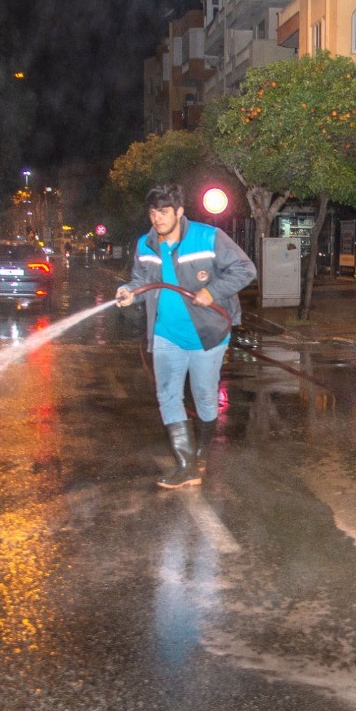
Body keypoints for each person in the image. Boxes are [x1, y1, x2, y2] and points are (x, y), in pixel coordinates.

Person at [116, 183, 256, 488]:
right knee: (167, 394)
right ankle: (186, 464)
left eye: (164, 212)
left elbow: (246, 269)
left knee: (205, 396)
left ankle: (202, 451)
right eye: (152, 212)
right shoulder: (146, 244)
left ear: (179, 211)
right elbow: (141, 280)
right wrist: (130, 292)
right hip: (167, 333)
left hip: (208, 333)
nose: (157, 218)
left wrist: (212, 291)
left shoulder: (208, 237)